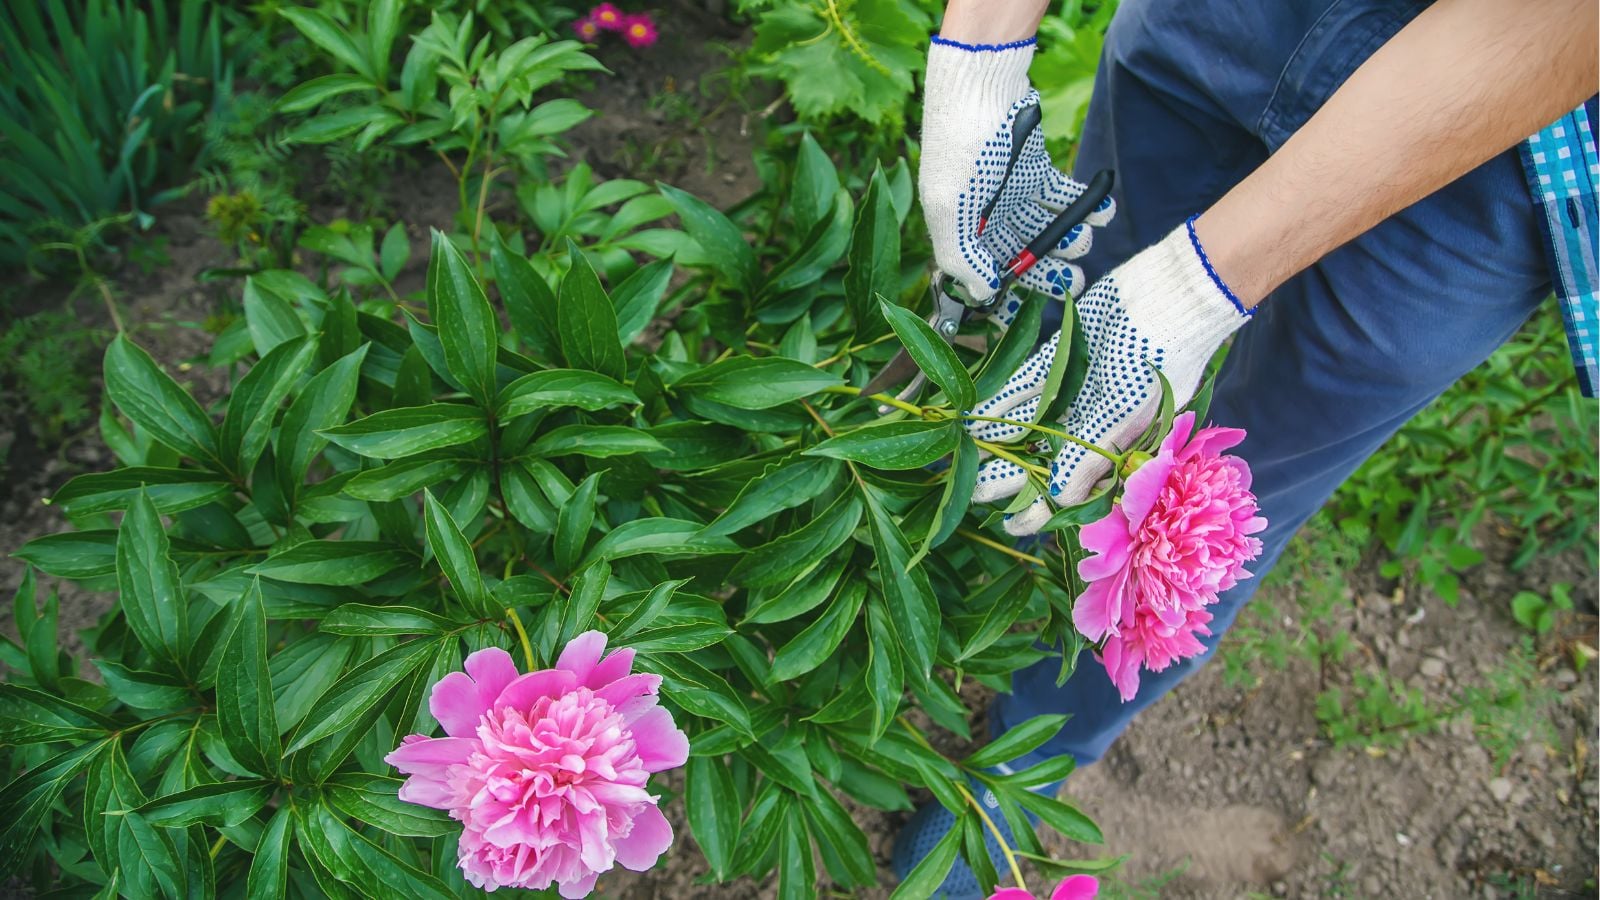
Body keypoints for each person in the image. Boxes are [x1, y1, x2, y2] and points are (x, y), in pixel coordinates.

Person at [892, 0, 1598, 895]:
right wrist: (981, 53)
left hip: (1500, 137)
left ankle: (1027, 755)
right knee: (1071, 336)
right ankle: (942, 587)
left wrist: (1193, 293)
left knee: (1228, 502)